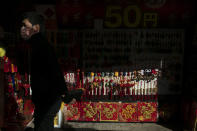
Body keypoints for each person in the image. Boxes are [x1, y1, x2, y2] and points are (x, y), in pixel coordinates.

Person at [19, 12, 78, 131]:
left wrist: (65, 95)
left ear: (36, 28)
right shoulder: (36, 45)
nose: (22, 29)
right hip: (46, 101)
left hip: (48, 101)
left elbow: (54, 71)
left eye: (25, 26)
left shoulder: (41, 46)